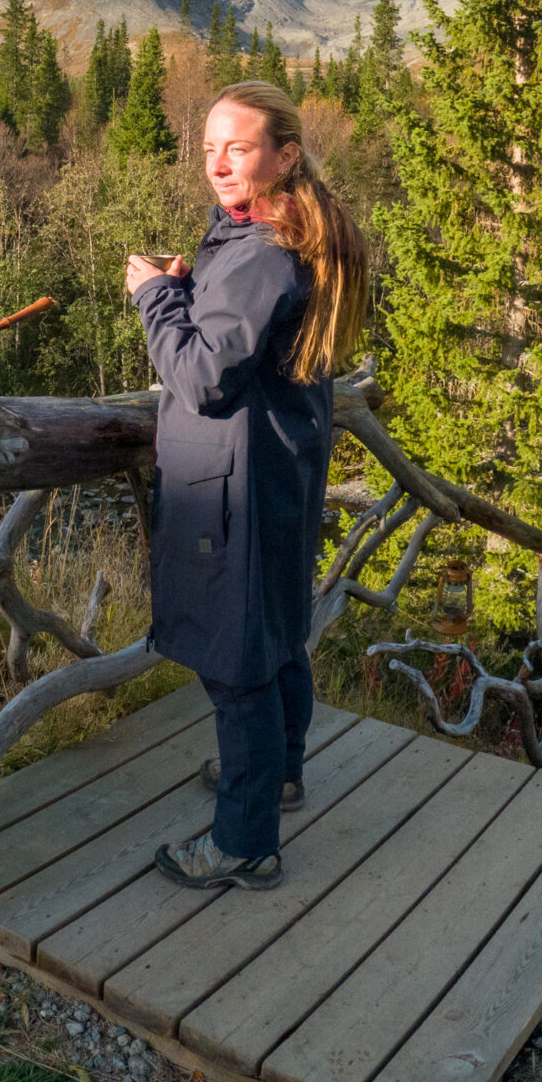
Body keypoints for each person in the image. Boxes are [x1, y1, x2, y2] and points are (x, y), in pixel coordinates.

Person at [124, 79, 370, 890]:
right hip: (273, 472)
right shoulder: (275, 235)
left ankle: (244, 842)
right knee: (275, 636)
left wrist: (154, 297)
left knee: (238, 664)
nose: (218, 163)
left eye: (238, 147)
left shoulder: (264, 250)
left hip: (235, 485)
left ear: (285, 155)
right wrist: (189, 288)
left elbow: (203, 378)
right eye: (208, 148)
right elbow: (243, 342)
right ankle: (278, 776)